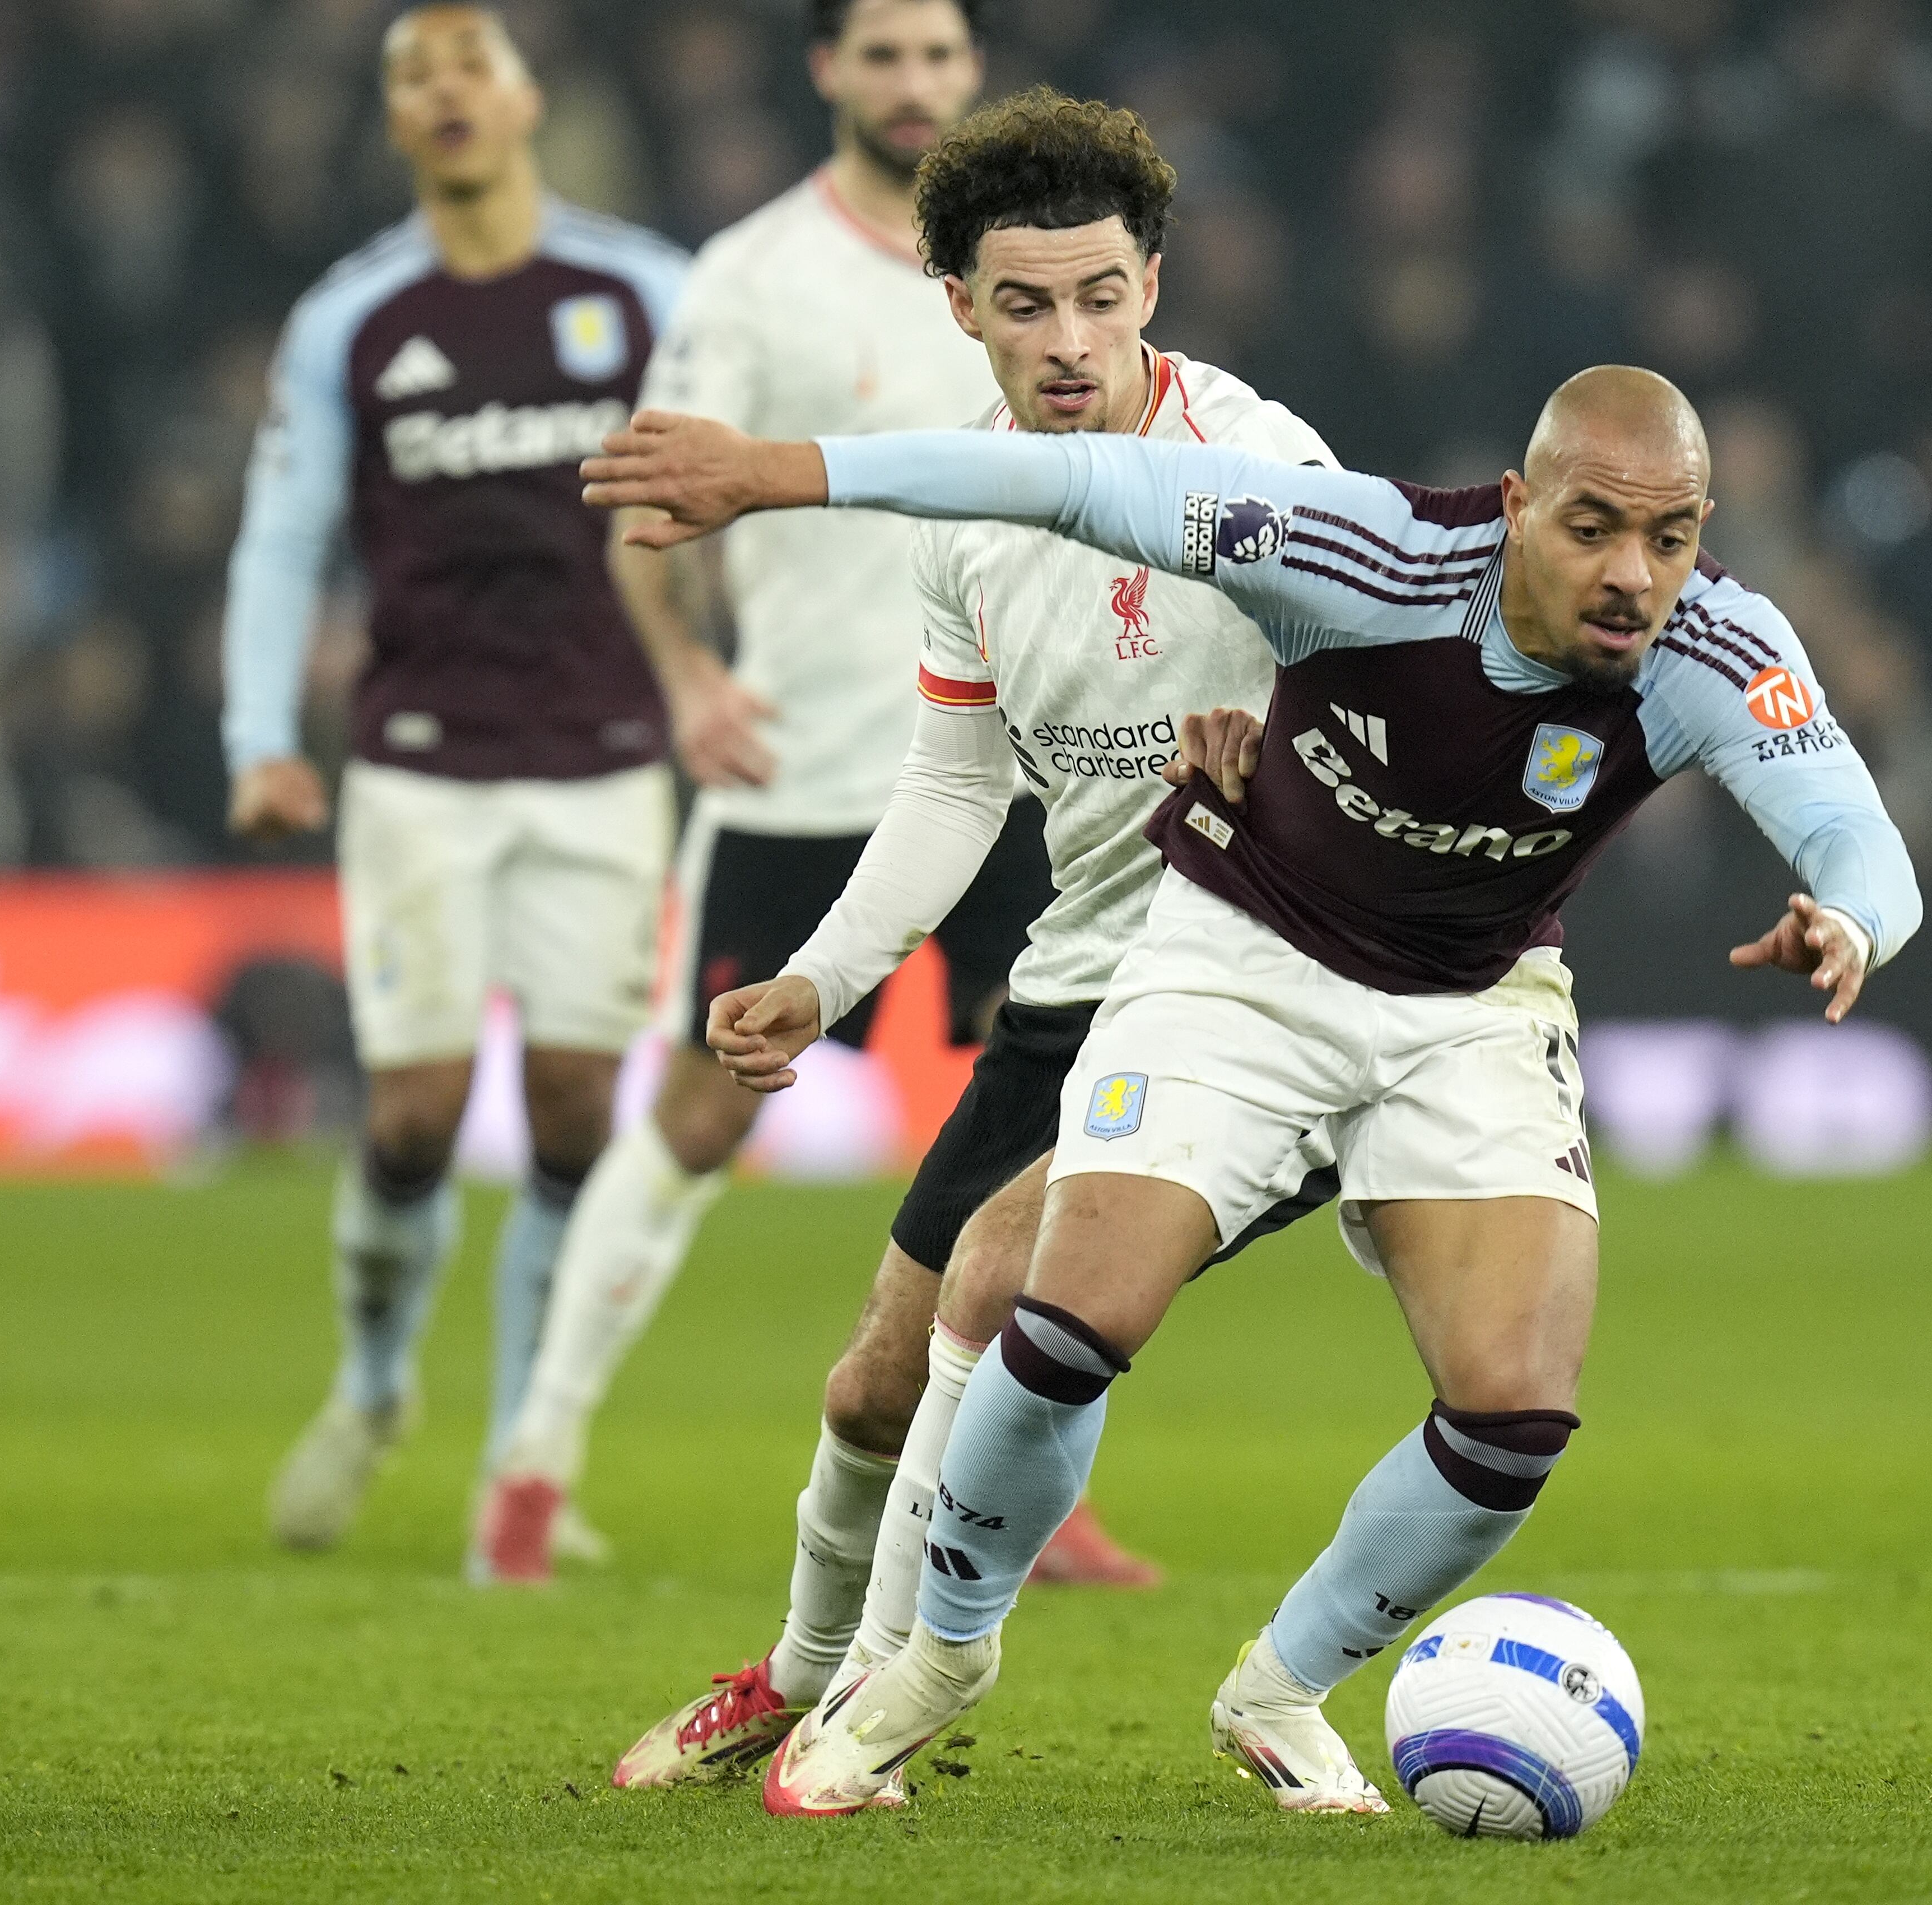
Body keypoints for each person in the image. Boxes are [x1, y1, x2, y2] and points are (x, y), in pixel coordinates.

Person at [584, 362, 1923, 1815]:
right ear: (1519, 507)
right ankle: (936, 1666)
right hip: (1246, 963)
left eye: (1667, 538)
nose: (1630, 574)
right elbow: (1081, 484)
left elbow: (1859, 834)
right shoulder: (1371, 555)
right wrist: (778, 472)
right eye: (1593, 527)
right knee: (1065, 1312)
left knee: (1514, 1414)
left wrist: (1849, 921)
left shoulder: (1717, 645)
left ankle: (1279, 1686)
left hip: (1469, 1006)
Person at [580, 88, 1343, 1787]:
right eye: (1024, 304)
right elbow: (951, 784)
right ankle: (798, 1669)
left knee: (999, 1292)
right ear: (961, 309)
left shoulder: (1267, 471)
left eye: (1099, 297)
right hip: (1076, 987)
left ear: (1154, 283)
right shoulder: (967, 512)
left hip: (1258, 994)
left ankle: (903, 1686)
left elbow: (1394, 697)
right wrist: (817, 980)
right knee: (866, 1387)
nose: (1067, 340)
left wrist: (1286, 776)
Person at [471, 0, 1124, 1588]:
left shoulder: (1028, 287)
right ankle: (535, 1461)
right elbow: (645, 496)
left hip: (1011, 769)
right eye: (884, 57)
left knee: (1058, 1142)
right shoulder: (749, 277)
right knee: (703, 1106)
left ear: (975, 80)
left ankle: (1032, 1496)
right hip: (802, 768)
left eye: (940, 59)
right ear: (828, 73)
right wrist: (693, 683)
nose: (914, 86)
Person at [224, 5, 686, 1562]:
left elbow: (740, 484)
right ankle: (370, 1388)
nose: (445, 94)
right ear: (398, 121)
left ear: (527, 96)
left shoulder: (641, 292)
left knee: (570, 1109)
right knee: (415, 1111)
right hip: (418, 755)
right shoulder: (352, 316)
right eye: (413, 77)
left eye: (468, 65)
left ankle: (519, 1465)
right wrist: (256, 739)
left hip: (609, 754)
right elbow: (283, 534)